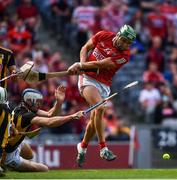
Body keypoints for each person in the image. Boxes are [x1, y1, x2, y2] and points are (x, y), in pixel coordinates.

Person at [67, 24, 136, 167]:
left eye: (128, 43)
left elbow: (103, 64)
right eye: (123, 40)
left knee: (94, 118)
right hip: (88, 79)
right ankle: (103, 148)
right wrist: (81, 64)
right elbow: (85, 48)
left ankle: (83, 147)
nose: (124, 44)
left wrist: (80, 66)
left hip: (104, 85)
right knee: (99, 109)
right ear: (118, 35)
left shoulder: (125, 55)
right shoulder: (104, 35)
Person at [0, 86, 85, 172]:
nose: (38, 104)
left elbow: (50, 114)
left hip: (15, 142)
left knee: (30, 155)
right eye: (36, 102)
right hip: (8, 151)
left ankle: (10, 161)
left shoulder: (25, 108)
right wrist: (72, 117)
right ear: (29, 101)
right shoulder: (26, 115)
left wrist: (59, 102)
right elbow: (49, 122)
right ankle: (7, 163)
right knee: (44, 169)